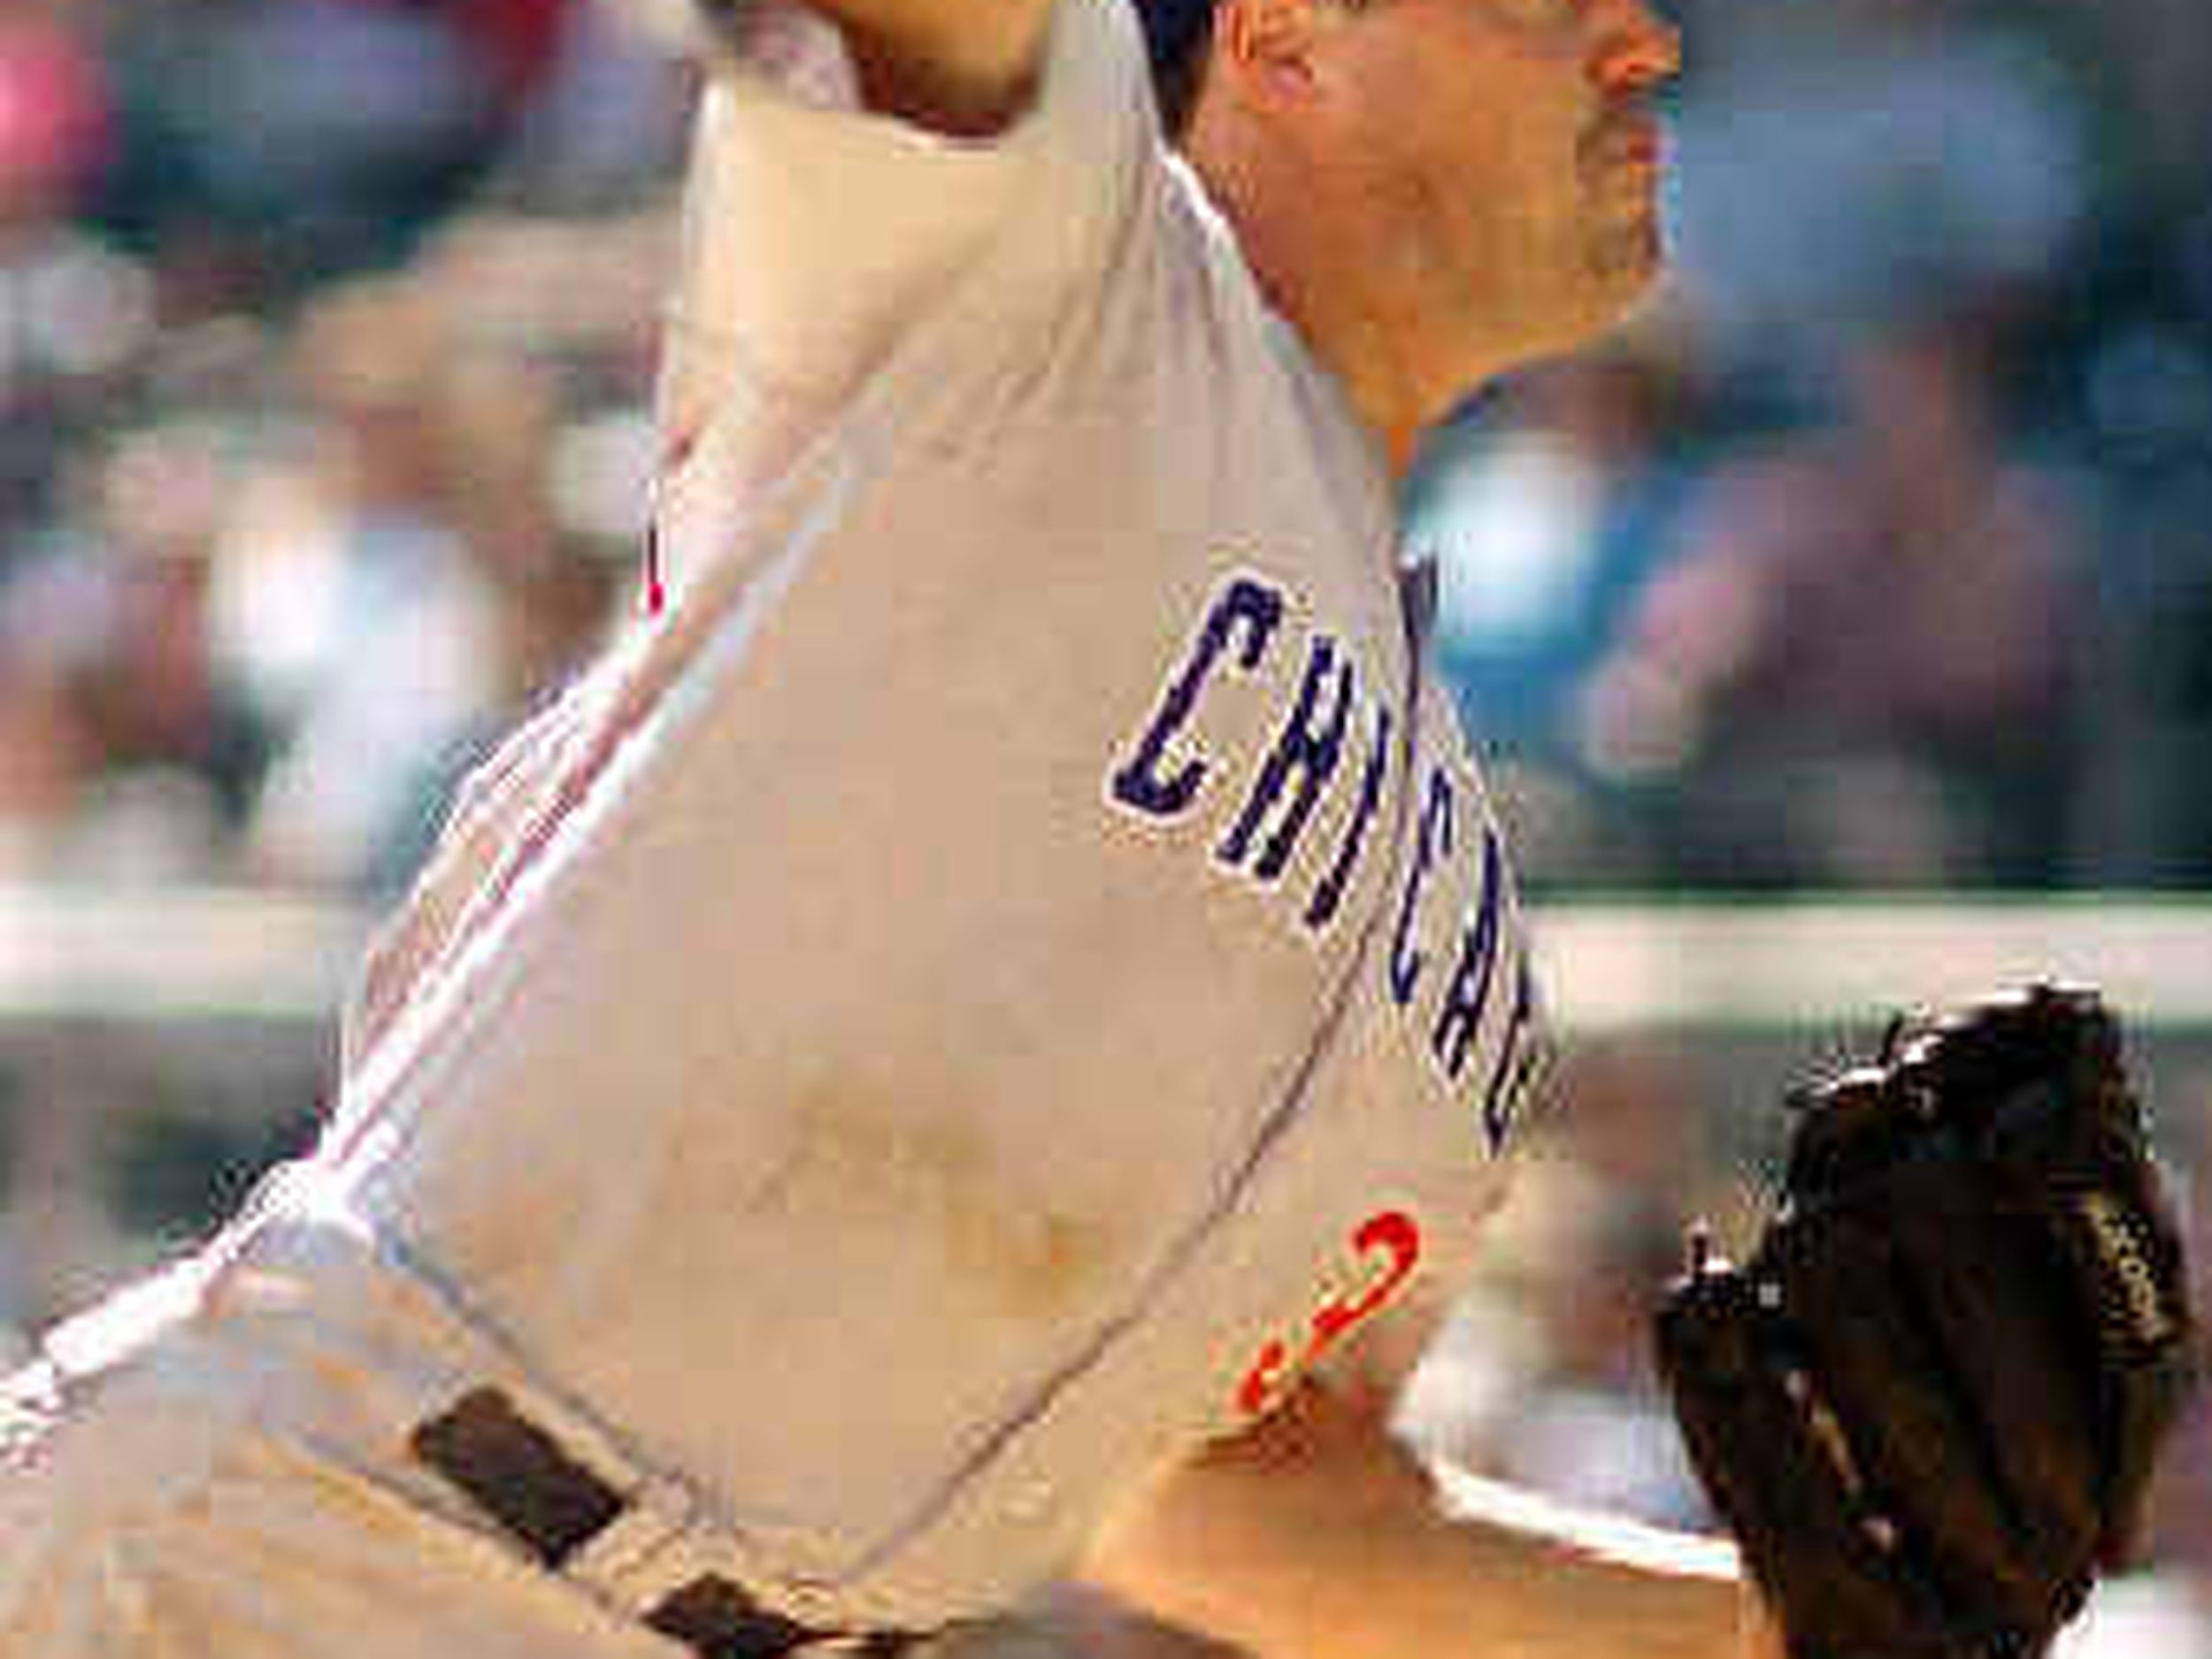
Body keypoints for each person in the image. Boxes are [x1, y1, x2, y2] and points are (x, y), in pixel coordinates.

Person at [0, 1, 1778, 1656]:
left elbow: (1217, 1502)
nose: (1643, 39)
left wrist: (1816, 1616)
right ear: (1282, 34)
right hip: (320, 1549)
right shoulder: (1047, 268)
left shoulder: (1455, 898)